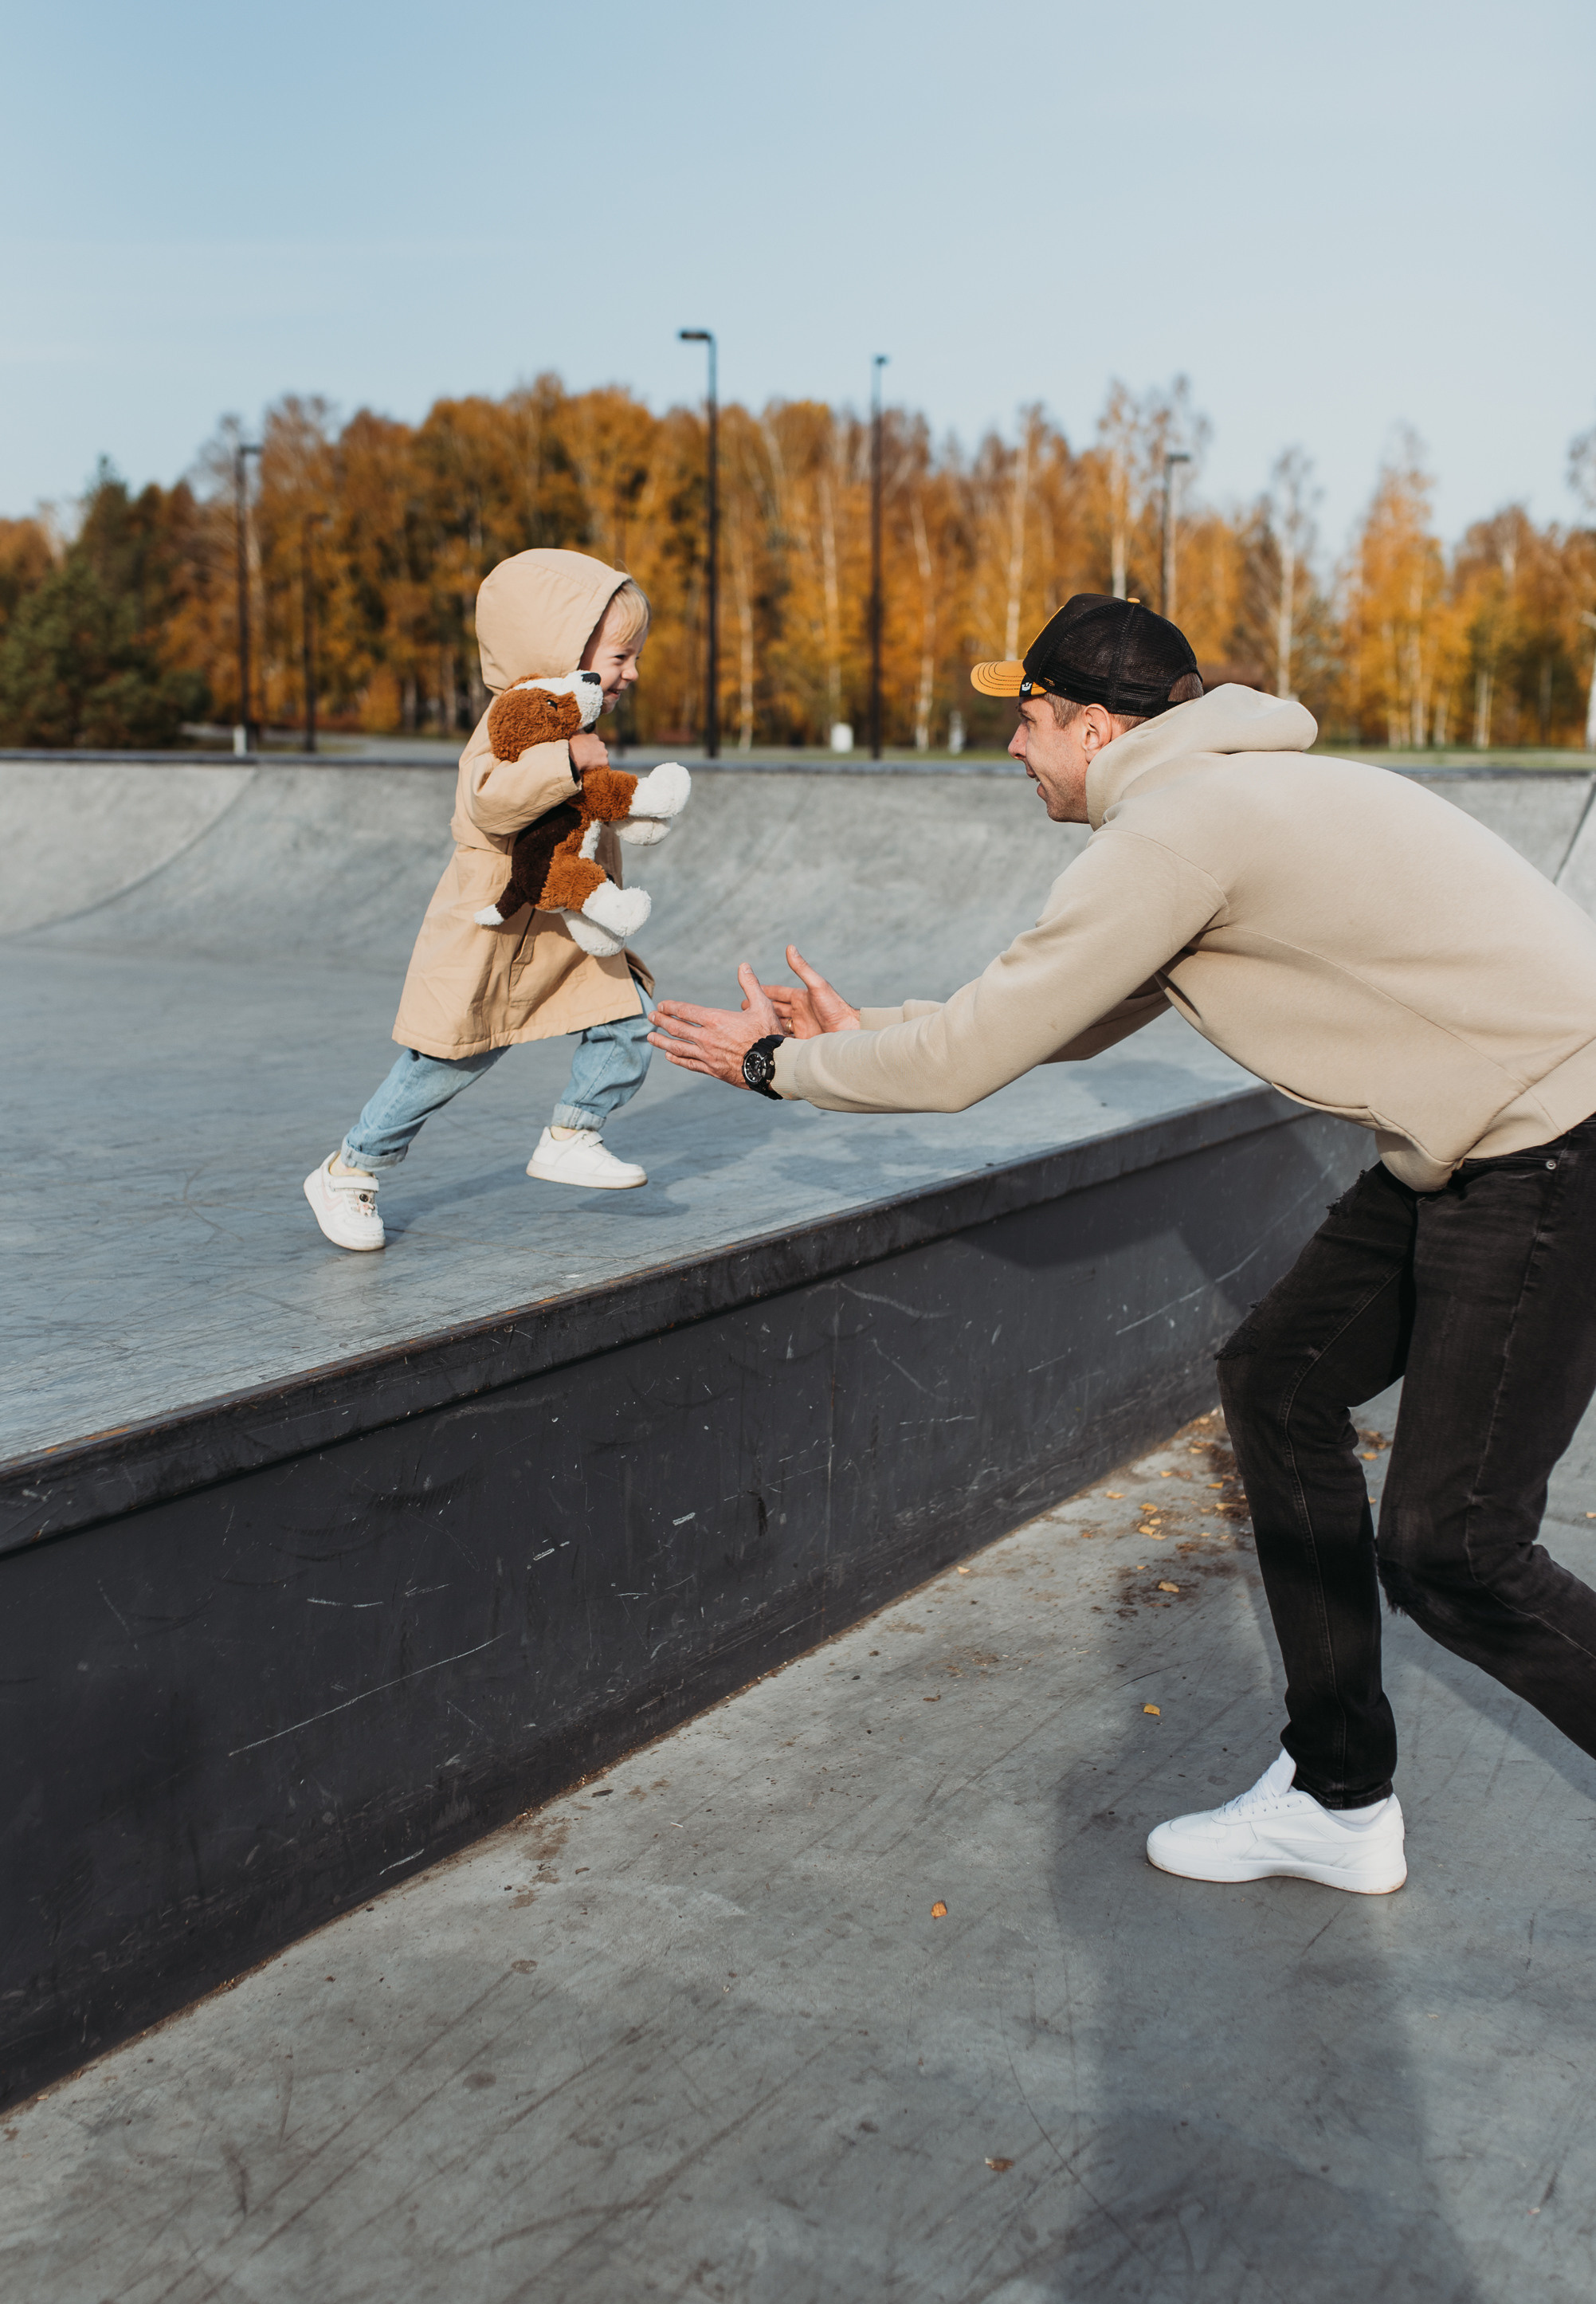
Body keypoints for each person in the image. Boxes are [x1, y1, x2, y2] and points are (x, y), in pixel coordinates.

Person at [649, 592, 1596, 1897]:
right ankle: (1334, 1795)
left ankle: (1337, 1789)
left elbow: (966, 1063)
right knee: (1280, 1383)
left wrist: (774, 1066)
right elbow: (1059, 1014)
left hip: (1549, 1148)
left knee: (1453, 1550)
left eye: (1028, 718)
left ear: (1093, 727)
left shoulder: (1173, 830)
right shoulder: (1228, 796)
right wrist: (859, 1033)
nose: (1013, 747)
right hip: (1490, 1134)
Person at [306, 550, 662, 1254]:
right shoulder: (514, 719)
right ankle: (350, 1169)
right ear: (563, 648)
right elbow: (490, 802)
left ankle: (572, 1133)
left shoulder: (576, 725)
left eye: (635, 658)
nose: (632, 673)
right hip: (494, 929)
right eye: (622, 656)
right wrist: (566, 763)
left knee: (628, 1018)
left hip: (563, 924)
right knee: (449, 1060)